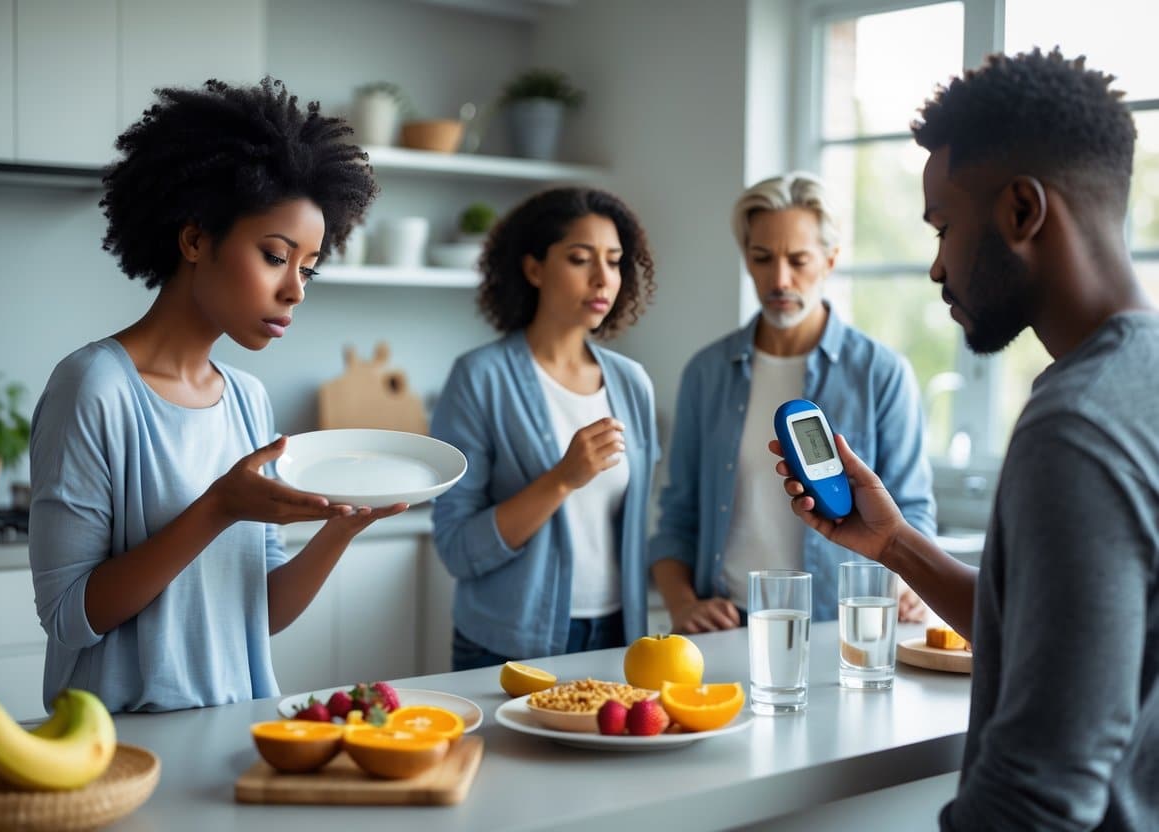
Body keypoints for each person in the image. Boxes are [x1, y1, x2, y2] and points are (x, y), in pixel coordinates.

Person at [773, 49, 1157, 830]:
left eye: (943, 226)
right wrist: (895, 543)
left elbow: (1038, 791)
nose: (935, 266)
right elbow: (1066, 646)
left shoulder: (1075, 427)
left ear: (1021, 211)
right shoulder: (1135, 384)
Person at [29, 78, 406, 713]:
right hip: (120, 748)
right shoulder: (94, 388)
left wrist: (344, 527)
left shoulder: (248, 400)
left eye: (307, 267)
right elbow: (69, 617)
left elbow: (262, 613)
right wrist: (218, 508)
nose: (296, 290)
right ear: (196, 240)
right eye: (274, 255)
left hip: (240, 732)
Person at [650, 172, 935, 632]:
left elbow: (913, 512)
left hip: (841, 626)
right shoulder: (706, 373)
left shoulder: (880, 373)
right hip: (727, 626)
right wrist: (682, 605)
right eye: (762, 258)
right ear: (746, 259)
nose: (780, 279)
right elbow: (677, 514)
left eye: (798, 260)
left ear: (830, 259)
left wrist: (907, 589)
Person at [430, 187, 658, 670]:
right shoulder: (479, 377)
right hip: (508, 646)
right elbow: (457, 550)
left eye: (615, 262)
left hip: (619, 638)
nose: (603, 278)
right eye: (580, 259)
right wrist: (562, 479)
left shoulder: (632, 383)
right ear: (533, 268)